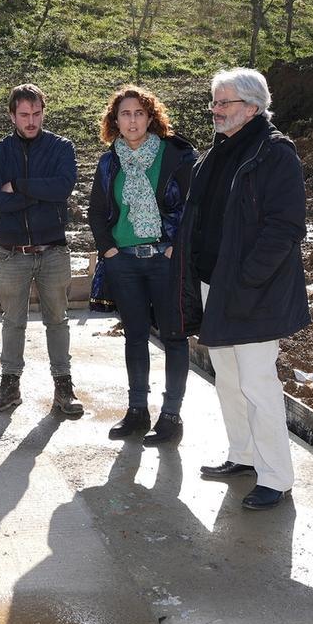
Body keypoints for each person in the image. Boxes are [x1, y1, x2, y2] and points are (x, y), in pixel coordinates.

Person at [171, 67, 311, 510]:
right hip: (216, 285)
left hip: (254, 291)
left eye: (223, 102)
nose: (215, 110)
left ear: (252, 107)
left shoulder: (275, 154)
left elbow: (285, 227)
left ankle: (276, 477)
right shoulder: (219, 153)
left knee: (257, 382)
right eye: (214, 102)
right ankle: (244, 455)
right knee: (228, 378)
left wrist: (250, 278)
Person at [88, 86, 196, 446]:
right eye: (124, 114)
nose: (132, 120)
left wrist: (173, 249)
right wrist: (109, 252)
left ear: (151, 117)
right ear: (114, 121)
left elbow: (191, 208)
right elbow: (96, 213)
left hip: (165, 263)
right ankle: (137, 412)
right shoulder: (110, 161)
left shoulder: (175, 155)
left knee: (174, 337)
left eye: (138, 113)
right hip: (125, 264)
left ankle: (171, 416)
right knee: (134, 337)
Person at [0, 84, 82, 417]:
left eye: (37, 114)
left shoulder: (61, 148)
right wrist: (41, 192)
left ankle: (64, 387)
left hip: (53, 251)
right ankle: (10, 384)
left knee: (58, 320)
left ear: (43, 112)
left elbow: (63, 187)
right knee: (12, 322)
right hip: (12, 253)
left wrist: (19, 186)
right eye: (24, 115)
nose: (31, 121)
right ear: (12, 115)